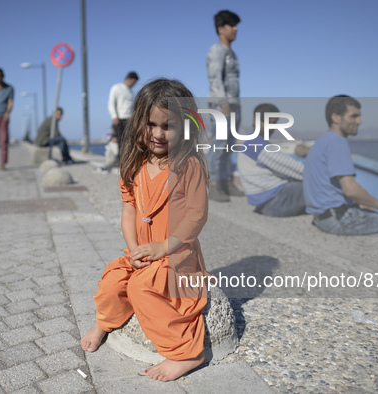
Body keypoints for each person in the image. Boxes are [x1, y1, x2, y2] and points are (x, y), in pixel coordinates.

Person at [81, 78, 209, 382]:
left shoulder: (188, 165)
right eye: (151, 124)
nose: (158, 134)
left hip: (175, 255)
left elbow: (196, 216)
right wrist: (134, 248)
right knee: (113, 283)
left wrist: (163, 247)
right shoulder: (134, 163)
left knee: (141, 289)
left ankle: (188, 353)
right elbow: (129, 210)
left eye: (169, 126)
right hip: (142, 252)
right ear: (139, 121)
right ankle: (105, 321)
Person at [303, 95, 378, 237]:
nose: (359, 121)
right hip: (338, 219)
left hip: (322, 217)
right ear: (336, 117)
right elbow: (350, 189)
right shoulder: (338, 143)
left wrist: (359, 202)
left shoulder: (321, 142)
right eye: (354, 116)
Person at [237, 104, 307, 217]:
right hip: (275, 202)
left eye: (273, 123)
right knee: (319, 183)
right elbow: (297, 169)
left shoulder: (250, 141)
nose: (271, 127)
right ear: (255, 120)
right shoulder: (258, 145)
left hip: (264, 203)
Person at [206, 10, 243, 202]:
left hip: (234, 104)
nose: (235, 29)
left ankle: (226, 181)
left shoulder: (231, 53)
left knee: (230, 145)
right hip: (223, 105)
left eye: (236, 25)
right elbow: (215, 78)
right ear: (221, 29)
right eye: (231, 25)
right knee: (218, 144)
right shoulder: (217, 50)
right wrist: (223, 103)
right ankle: (213, 185)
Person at [108, 71, 139, 157]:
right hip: (120, 119)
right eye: (133, 82)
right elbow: (111, 103)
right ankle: (120, 160)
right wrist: (114, 116)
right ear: (129, 79)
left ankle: (129, 159)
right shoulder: (117, 87)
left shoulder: (131, 92)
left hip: (130, 119)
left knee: (131, 141)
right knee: (120, 141)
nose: (134, 84)